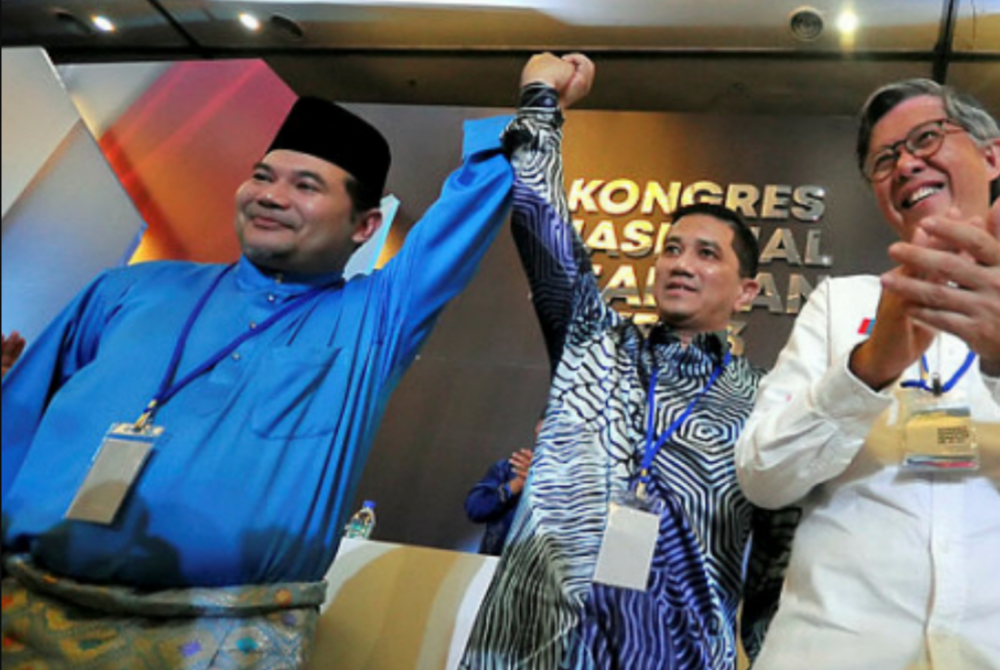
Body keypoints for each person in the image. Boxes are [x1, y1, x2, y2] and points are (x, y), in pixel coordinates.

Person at [0, 57, 591, 669]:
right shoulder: (128, 290)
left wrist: (539, 101)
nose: (271, 197)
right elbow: (17, 420)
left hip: (218, 640)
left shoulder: (372, 321)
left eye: (306, 186)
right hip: (21, 611)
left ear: (365, 226)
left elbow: (461, 218)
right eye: (262, 176)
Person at [462, 53, 797, 670]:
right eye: (671, 249)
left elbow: (777, 562)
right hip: (530, 643)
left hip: (675, 653)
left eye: (706, 254)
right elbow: (542, 225)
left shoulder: (767, 400)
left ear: (746, 290)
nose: (680, 263)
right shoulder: (592, 338)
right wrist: (541, 102)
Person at [735, 79, 1000, 670]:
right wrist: (866, 370)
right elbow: (761, 476)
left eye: (927, 137)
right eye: (885, 160)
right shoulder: (840, 305)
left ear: (992, 155)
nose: (906, 163)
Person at [465, 433, 535, 556]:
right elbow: (475, 509)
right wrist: (517, 483)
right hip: (495, 564)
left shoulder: (577, 481)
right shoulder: (507, 469)